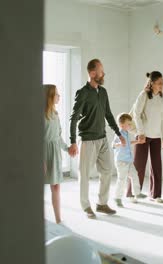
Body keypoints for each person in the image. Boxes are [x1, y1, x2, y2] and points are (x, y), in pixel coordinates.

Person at [69, 59, 125, 219]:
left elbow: (108, 114)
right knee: (85, 174)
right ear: (93, 73)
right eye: (101, 71)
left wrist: (119, 134)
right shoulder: (83, 93)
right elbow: (73, 118)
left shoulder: (103, 92)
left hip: (102, 138)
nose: (103, 73)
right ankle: (86, 206)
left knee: (107, 170)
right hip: (87, 140)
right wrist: (73, 141)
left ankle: (101, 204)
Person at [129, 71, 163, 203]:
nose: (162, 85)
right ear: (152, 84)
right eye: (159, 83)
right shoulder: (144, 95)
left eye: (162, 82)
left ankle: (156, 195)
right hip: (143, 136)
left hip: (156, 137)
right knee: (139, 165)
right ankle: (133, 193)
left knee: (157, 166)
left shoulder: (161, 99)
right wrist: (140, 132)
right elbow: (136, 114)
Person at [43, 84, 70, 223]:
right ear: (49, 97)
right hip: (43, 153)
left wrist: (67, 148)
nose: (59, 96)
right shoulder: (41, 115)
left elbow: (58, 137)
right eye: (57, 94)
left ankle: (58, 218)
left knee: (56, 186)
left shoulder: (56, 114)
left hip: (55, 154)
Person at [112, 113, 143, 207]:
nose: (130, 125)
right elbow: (113, 144)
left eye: (130, 123)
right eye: (128, 124)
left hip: (129, 161)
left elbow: (128, 143)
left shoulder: (126, 133)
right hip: (121, 161)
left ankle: (137, 193)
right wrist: (120, 144)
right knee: (122, 179)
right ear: (122, 125)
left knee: (134, 175)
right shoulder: (119, 134)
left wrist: (137, 141)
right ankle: (117, 198)